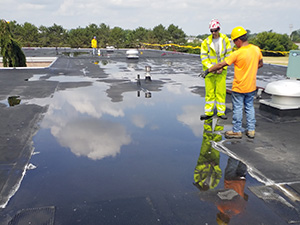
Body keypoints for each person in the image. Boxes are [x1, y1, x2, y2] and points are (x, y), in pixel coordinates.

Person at [200, 26, 263, 139]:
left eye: (234, 41)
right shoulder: (256, 49)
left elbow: (221, 64)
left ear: (238, 40)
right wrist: (251, 69)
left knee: (238, 108)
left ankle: (237, 131)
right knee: (249, 107)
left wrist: (208, 70)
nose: (235, 44)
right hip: (251, 86)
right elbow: (261, 63)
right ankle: (251, 130)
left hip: (239, 87)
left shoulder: (237, 53)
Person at [200, 19, 232, 121]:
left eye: (215, 30)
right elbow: (204, 57)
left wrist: (222, 67)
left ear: (219, 29)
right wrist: (211, 68)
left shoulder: (225, 40)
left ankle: (220, 112)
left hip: (221, 71)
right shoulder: (206, 42)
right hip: (210, 71)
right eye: (212, 31)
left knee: (220, 91)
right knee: (209, 92)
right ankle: (208, 112)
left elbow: (229, 55)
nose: (214, 32)